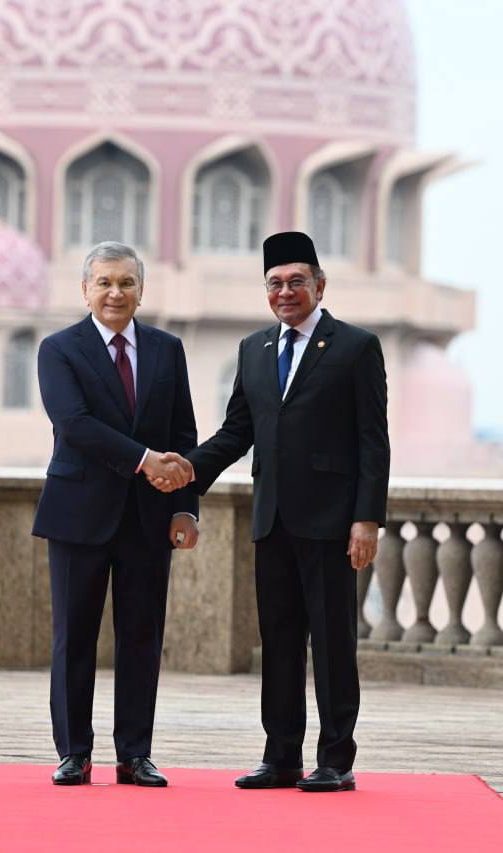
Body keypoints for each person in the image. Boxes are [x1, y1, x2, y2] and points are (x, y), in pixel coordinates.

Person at [182, 231, 390, 793]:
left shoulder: (355, 347)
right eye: (275, 283)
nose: (285, 292)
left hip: (331, 523)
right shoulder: (254, 351)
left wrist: (366, 519)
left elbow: (374, 442)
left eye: (297, 281)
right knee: (277, 643)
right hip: (272, 520)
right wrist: (186, 473)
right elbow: (237, 433)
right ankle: (281, 758)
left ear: (320, 285)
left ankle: (336, 760)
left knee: (331, 644)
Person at [32, 240, 199, 788]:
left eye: (126, 282)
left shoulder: (167, 349)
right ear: (85, 290)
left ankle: (135, 754)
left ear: (141, 290)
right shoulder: (59, 350)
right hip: (79, 514)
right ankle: (74, 753)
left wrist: (185, 509)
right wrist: (144, 460)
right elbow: (74, 424)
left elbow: (183, 435)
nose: (115, 292)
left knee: (141, 637)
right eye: (103, 282)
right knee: (74, 637)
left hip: (149, 519)